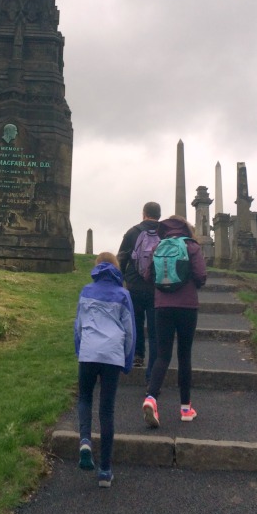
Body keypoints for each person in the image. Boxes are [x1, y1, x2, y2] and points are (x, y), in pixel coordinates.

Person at [74, 251, 135, 488]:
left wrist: (80, 350)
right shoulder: (123, 294)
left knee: (85, 398)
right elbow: (130, 332)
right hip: (112, 355)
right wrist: (128, 360)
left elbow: (78, 326)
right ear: (116, 268)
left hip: (89, 352)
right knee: (107, 410)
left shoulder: (86, 291)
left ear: (96, 268)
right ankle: (105, 471)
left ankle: (85, 440)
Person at [142, 215, 207, 427]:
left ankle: (151, 398)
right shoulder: (192, 247)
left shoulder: (158, 247)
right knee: (184, 354)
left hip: (162, 306)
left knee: (162, 355)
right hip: (187, 306)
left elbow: (148, 275)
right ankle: (186, 408)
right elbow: (201, 275)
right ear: (186, 228)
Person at [117, 202, 161, 381]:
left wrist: (121, 280)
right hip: (157, 286)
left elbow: (122, 257)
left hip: (135, 284)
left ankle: (137, 355)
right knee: (154, 326)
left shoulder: (132, 232)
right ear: (159, 215)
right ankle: (155, 364)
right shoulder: (164, 232)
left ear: (144, 214)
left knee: (135, 322)